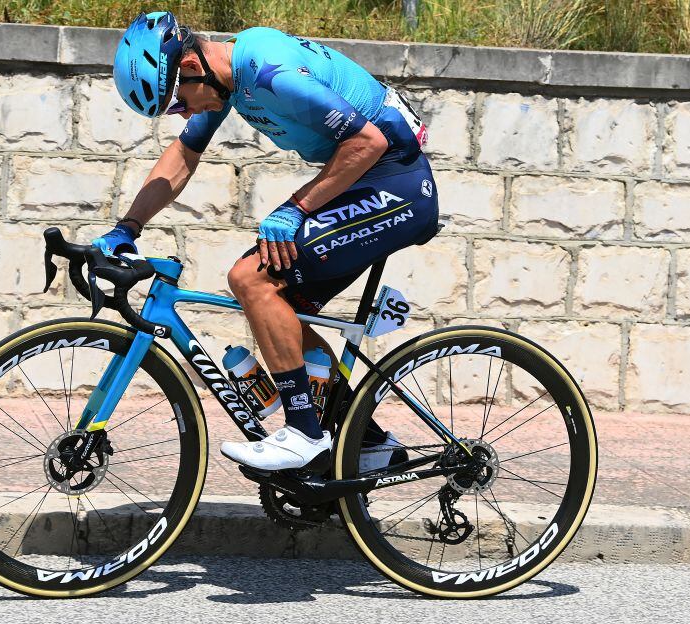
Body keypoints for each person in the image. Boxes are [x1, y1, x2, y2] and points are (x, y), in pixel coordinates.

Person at [96, 11, 438, 471]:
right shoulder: (228, 77)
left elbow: (368, 142)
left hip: (395, 184)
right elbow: (184, 154)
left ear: (192, 67)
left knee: (250, 279)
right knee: (282, 311)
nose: (186, 114)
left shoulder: (270, 74)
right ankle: (370, 444)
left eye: (179, 104)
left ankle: (303, 434)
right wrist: (127, 227)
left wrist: (297, 207)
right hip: (366, 182)